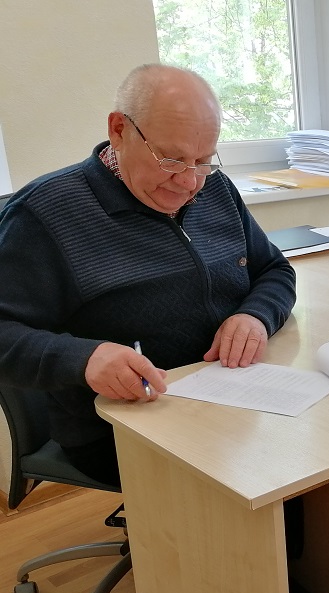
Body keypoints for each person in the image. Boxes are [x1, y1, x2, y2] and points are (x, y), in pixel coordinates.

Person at [0, 64, 297, 486]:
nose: (189, 182)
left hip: (231, 394)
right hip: (120, 424)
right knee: (273, 480)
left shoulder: (216, 189)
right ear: (119, 130)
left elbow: (274, 269)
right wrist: (83, 358)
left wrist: (256, 315)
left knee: (321, 455)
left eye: (203, 161)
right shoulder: (46, 214)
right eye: (171, 159)